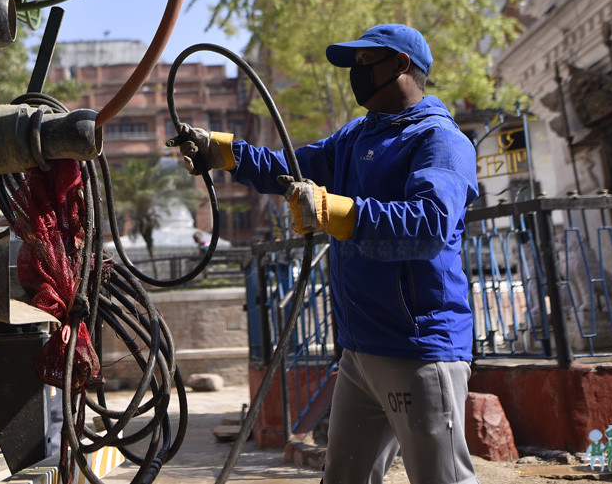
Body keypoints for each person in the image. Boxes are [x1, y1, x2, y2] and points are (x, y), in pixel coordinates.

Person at [168, 24, 480, 484]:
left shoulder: (440, 142)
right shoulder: (356, 137)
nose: (356, 74)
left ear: (401, 64)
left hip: (417, 351)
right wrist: (223, 152)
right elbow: (289, 169)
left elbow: (427, 225)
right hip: (359, 352)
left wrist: (334, 211)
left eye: (364, 63)